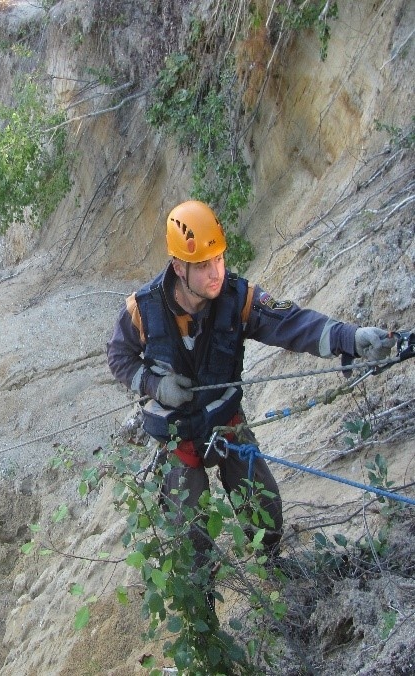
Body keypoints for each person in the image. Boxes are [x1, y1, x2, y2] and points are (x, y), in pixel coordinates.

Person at [106, 200, 395, 604]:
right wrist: (154, 385)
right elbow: (118, 357)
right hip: (178, 439)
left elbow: (291, 323)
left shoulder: (238, 299)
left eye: (219, 259)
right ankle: (202, 609)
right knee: (190, 536)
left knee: (265, 504)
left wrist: (350, 338)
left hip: (226, 423)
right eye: (204, 264)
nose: (216, 272)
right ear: (178, 267)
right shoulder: (142, 310)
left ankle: (274, 568)